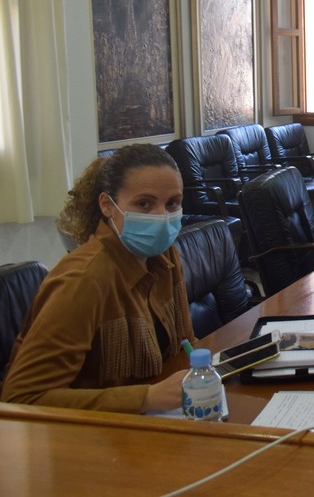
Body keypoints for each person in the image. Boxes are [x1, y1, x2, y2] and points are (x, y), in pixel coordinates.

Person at [1, 145, 195, 413]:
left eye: (172, 203)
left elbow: (185, 342)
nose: (162, 218)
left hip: (157, 419)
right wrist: (146, 398)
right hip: (85, 433)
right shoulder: (83, 280)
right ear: (107, 205)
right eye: (144, 204)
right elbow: (21, 399)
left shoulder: (165, 253)